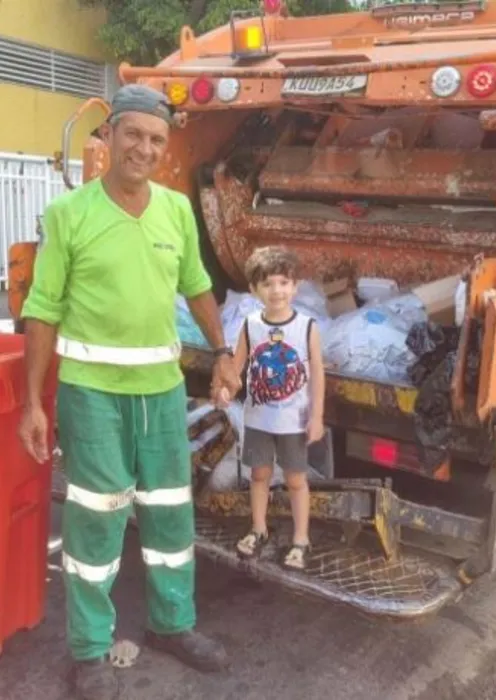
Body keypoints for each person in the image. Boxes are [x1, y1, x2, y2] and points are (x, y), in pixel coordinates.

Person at [18, 84, 241, 700]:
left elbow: (198, 287)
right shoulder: (71, 215)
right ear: (109, 136)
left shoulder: (174, 211)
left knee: (171, 512)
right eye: (133, 134)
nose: (144, 148)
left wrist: (222, 353)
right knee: (96, 523)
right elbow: (43, 308)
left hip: (162, 395)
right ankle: (90, 649)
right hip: (92, 396)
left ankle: (174, 625)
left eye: (156, 140)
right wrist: (35, 402)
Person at [216, 246, 325, 570]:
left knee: (295, 480)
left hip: (293, 421)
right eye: (267, 284)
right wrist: (225, 389)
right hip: (259, 419)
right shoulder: (250, 325)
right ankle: (259, 529)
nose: (276, 290)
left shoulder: (307, 326)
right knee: (259, 474)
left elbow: (318, 372)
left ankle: (301, 539)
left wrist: (316, 417)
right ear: (254, 290)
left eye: (282, 283)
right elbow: (237, 366)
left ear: (295, 286)